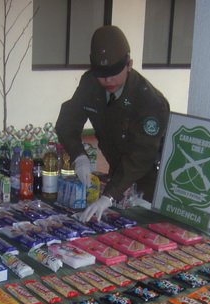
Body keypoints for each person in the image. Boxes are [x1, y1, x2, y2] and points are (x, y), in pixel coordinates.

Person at [55, 25, 170, 222]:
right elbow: (68, 122)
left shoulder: (150, 101)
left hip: (148, 184)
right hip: (116, 174)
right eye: (101, 73)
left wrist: (109, 195)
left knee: (141, 230)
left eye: (114, 72)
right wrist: (79, 156)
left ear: (129, 65)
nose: (108, 80)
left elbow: (142, 156)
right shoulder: (91, 83)